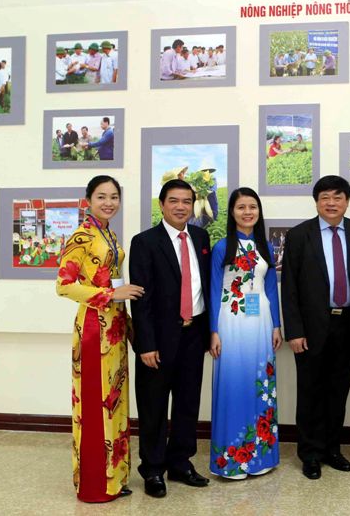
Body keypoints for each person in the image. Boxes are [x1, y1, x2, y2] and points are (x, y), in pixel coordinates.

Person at [55, 175, 144, 502]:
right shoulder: (81, 236)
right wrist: (110, 294)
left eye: (114, 197)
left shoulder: (108, 233)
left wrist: (129, 326)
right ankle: (95, 485)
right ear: (88, 201)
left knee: (114, 402)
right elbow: (63, 285)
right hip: (94, 328)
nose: (109, 202)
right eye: (101, 197)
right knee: (96, 404)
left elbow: (115, 282)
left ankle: (114, 479)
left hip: (115, 327)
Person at [129, 179, 212, 498]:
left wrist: (208, 333)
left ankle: (180, 462)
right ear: (162, 205)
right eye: (174, 201)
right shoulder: (145, 242)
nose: (181, 207)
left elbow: (204, 285)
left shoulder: (201, 238)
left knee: (188, 403)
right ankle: (152, 469)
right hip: (159, 339)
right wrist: (146, 344)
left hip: (194, 334)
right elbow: (141, 299)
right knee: (153, 406)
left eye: (187, 201)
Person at [282, 176, 350, 480]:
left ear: (347, 201)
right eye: (325, 197)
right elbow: (289, 286)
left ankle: (332, 449)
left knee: (338, 391)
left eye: (337, 197)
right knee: (310, 391)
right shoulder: (299, 235)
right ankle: (310, 453)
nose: (331, 203)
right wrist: (294, 330)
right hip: (310, 327)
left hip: (348, 325)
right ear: (316, 202)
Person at [209, 187, 282, 479]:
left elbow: (271, 288)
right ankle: (231, 460)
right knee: (233, 384)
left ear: (259, 211)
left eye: (252, 206)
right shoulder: (221, 247)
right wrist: (213, 331)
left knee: (259, 383)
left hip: (261, 321)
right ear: (232, 212)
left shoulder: (266, 246)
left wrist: (276, 325)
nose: (247, 212)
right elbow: (214, 290)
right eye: (241, 207)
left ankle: (260, 457)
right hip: (231, 320)